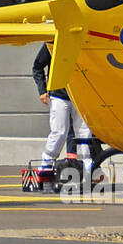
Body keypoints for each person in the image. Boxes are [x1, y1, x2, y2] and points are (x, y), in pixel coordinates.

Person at [32, 42, 95, 189]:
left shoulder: (85, 43)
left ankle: (86, 165)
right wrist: (42, 89)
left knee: (84, 132)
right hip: (59, 95)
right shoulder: (53, 43)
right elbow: (37, 66)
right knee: (59, 131)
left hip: (81, 96)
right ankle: (46, 163)